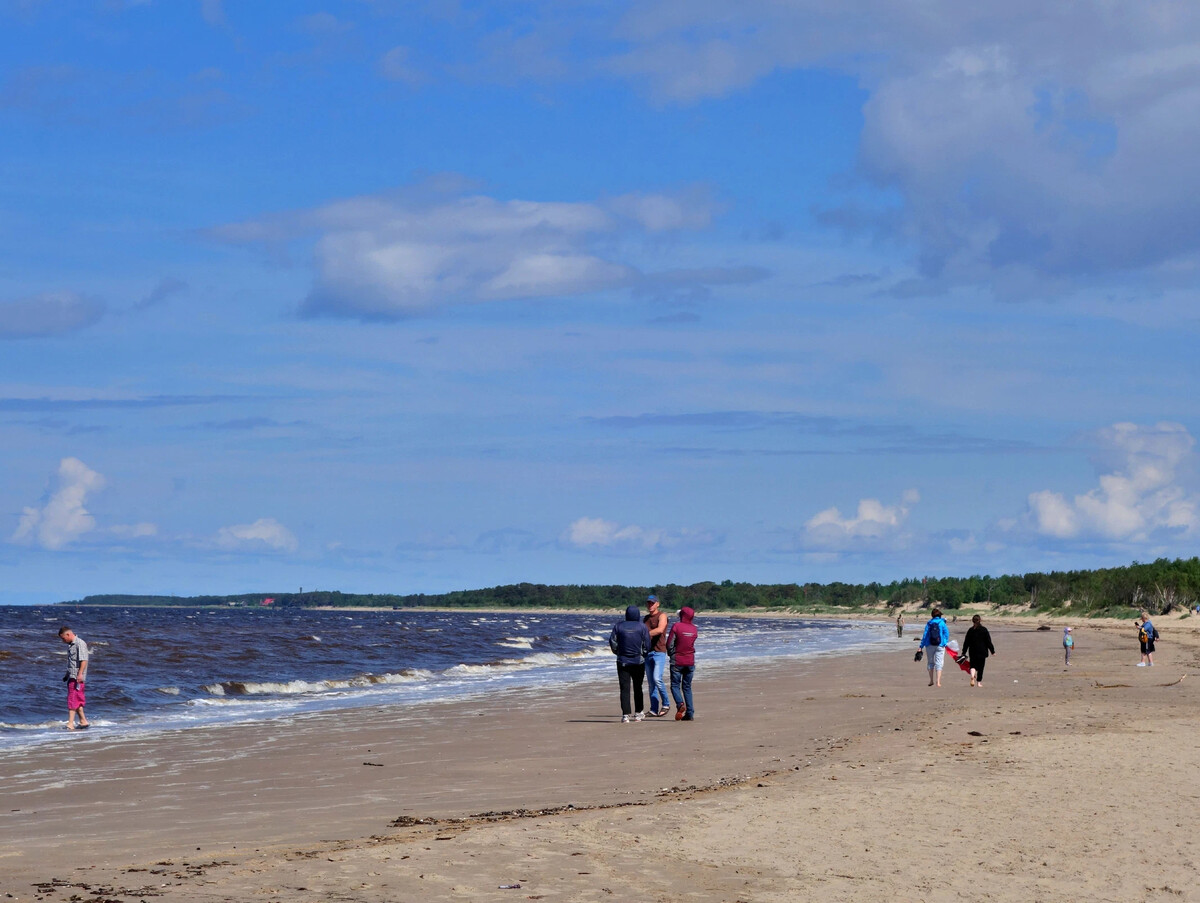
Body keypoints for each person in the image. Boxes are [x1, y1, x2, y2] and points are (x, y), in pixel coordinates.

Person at [609, 605, 651, 722]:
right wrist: (644, 654)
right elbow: (647, 644)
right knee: (638, 687)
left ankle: (625, 715)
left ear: (626, 614)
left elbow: (612, 642)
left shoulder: (619, 626)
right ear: (637, 614)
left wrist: (618, 652)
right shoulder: (642, 627)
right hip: (638, 661)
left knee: (624, 688)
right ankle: (638, 713)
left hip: (622, 661)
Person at [667, 606, 698, 721]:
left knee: (675, 685)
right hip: (690, 661)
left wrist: (671, 654)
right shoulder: (694, 629)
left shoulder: (677, 626)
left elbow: (669, 643)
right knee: (687, 687)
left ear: (682, 616)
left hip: (677, 661)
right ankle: (690, 713)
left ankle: (680, 704)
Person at [58, 626, 90, 730]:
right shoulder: (70, 646)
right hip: (71, 676)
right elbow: (71, 662)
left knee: (72, 699)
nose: (63, 641)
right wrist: (66, 675)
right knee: (77, 699)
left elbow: (84, 660)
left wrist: (80, 674)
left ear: (68, 634)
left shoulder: (79, 643)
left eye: (63, 638)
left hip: (77, 677)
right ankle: (83, 721)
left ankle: (70, 723)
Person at [643, 595, 670, 716]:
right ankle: (654, 709)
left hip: (659, 651)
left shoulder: (662, 616)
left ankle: (666, 704)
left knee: (657, 678)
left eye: (652, 603)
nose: (650, 605)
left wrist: (644, 634)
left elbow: (660, 630)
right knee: (651, 683)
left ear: (657, 604)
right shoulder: (645, 619)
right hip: (648, 652)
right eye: (649, 603)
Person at [962, 614, 995, 687]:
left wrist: (963, 652)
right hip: (982, 651)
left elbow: (966, 642)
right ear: (980, 620)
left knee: (972, 665)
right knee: (981, 667)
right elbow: (988, 641)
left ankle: (972, 676)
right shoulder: (984, 630)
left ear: (972, 621)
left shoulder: (970, 630)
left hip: (972, 651)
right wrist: (992, 651)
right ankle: (979, 682)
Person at [920, 608, 948, 688]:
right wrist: (944, 642)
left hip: (929, 645)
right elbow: (946, 633)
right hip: (940, 645)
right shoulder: (942, 623)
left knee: (930, 662)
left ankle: (931, 680)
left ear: (932, 615)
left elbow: (925, 635)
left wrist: (921, 646)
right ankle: (938, 682)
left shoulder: (929, 623)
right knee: (939, 663)